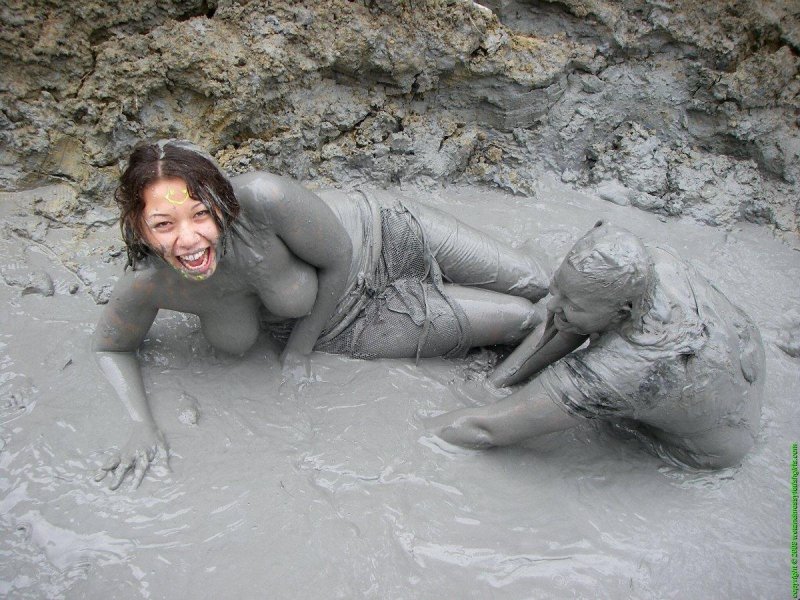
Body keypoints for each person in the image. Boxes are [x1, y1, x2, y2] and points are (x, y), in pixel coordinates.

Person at [93, 139, 549, 489]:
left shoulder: (263, 198)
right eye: (164, 224)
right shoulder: (148, 283)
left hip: (383, 234)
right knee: (521, 320)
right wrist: (139, 425)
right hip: (350, 324)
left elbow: (340, 256)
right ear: (138, 226)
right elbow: (111, 348)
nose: (189, 239)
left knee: (537, 284)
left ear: (221, 202)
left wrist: (298, 352)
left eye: (200, 214)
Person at [431, 222, 765, 470]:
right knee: (575, 310)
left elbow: (484, 429)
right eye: (557, 288)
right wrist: (496, 383)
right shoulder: (646, 260)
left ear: (624, 312)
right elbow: (576, 317)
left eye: (571, 303)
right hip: (736, 355)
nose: (551, 305)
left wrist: (418, 440)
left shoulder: (623, 368)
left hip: (705, 449)